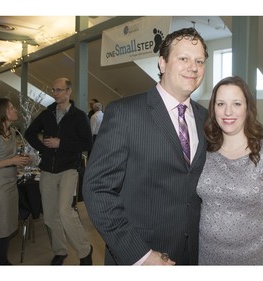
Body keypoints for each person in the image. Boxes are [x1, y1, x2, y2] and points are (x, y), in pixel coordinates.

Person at [82, 27, 208, 265]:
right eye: (184, 58)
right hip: (141, 254)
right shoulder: (124, 113)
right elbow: (98, 190)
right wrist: (141, 256)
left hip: (191, 254)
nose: (193, 67)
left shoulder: (205, 118)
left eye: (199, 61)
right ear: (162, 63)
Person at [197, 76, 263, 265]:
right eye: (221, 103)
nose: (228, 111)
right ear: (213, 109)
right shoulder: (203, 151)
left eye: (237, 104)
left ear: (248, 108)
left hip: (252, 258)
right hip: (207, 257)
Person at [24, 78, 93, 265]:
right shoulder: (47, 113)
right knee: (50, 214)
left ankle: (85, 251)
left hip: (68, 169)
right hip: (47, 170)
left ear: (69, 91)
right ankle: (60, 250)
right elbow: (29, 133)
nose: (55, 93)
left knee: (64, 211)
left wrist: (61, 144)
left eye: (59, 90)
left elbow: (88, 143)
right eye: (53, 89)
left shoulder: (79, 116)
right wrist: (44, 149)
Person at [0, 98, 31, 265]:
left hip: (10, 184)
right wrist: (12, 161)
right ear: (2, 113)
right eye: (12, 108)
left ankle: (2, 259)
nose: (16, 110)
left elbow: (10, 157)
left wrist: (22, 160)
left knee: (7, 226)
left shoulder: (13, 132)